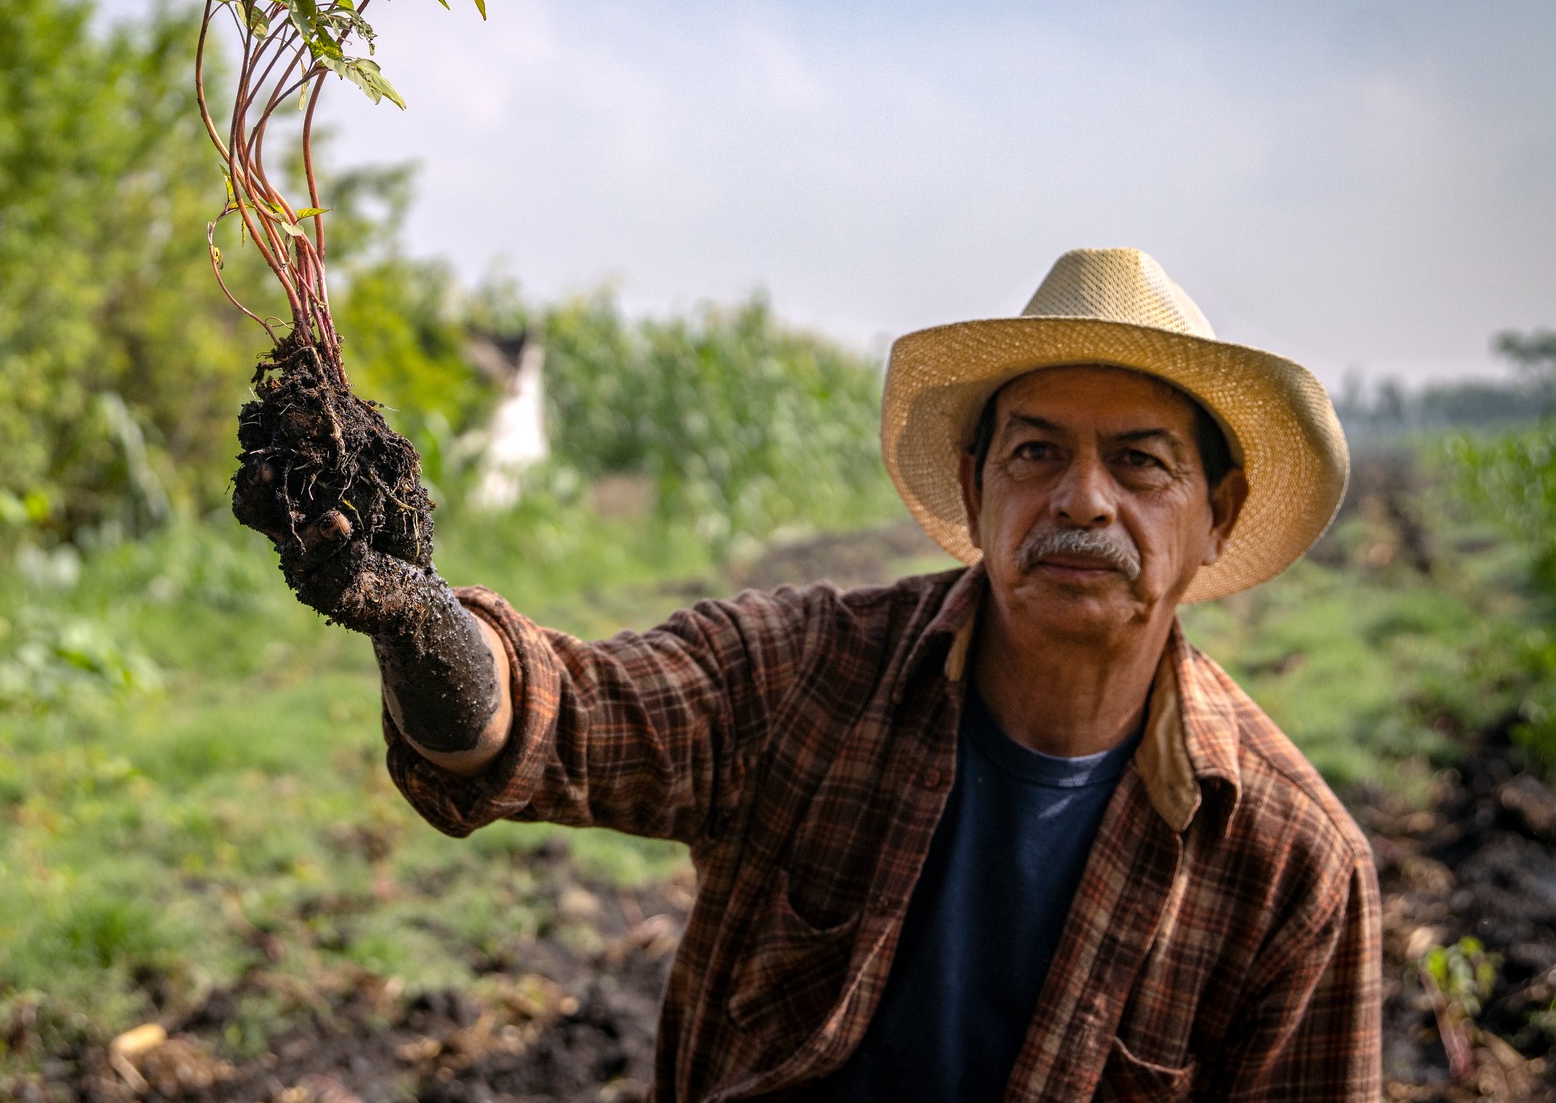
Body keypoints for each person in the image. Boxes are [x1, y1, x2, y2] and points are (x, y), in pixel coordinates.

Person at [232, 247, 1380, 1101]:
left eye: (1138, 463)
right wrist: (414, 617)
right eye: (1036, 452)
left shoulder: (1292, 870)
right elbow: (554, 718)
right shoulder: (805, 675)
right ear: (975, 487)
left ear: (1216, 513)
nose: (1082, 497)